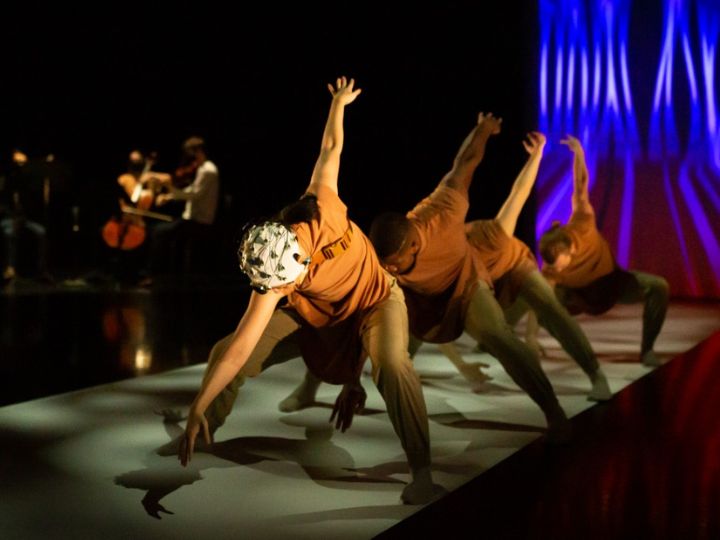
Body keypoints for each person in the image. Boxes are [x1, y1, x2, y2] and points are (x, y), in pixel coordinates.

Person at [178, 77, 438, 505]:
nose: (275, 290)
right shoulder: (276, 276)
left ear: (299, 264)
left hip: (374, 301)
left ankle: (422, 470)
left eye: (282, 285)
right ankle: (204, 428)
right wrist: (197, 404)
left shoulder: (322, 205)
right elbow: (241, 347)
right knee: (224, 348)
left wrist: (338, 103)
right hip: (316, 311)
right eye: (273, 287)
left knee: (391, 363)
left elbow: (331, 149)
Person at [284, 112, 571, 440]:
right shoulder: (386, 267)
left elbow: (464, 162)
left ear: (414, 246)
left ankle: (553, 410)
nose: (389, 268)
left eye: (395, 262)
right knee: (353, 328)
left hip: (461, 286)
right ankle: (309, 386)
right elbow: (361, 313)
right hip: (415, 298)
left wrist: (482, 129)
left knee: (498, 335)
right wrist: (352, 381)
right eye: (385, 264)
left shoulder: (443, 210)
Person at [440, 131, 611, 400]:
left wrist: (537, 155)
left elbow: (519, 193)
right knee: (496, 334)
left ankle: (596, 374)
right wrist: (461, 366)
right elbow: (438, 319)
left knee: (553, 311)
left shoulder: (492, 234)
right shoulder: (443, 269)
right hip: (488, 283)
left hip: (515, 265)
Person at [536, 135, 669, 367]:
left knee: (659, 287)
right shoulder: (551, 266)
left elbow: (580, 184)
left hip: (611, 284)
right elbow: (539, 298)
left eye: (561, 263)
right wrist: (529, 336)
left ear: (569, 248)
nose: (558, 269)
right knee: (536, 299)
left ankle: (647, 350)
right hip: (577, 296)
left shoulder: (582, 222)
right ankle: (488, 342)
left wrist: (579, 154)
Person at [140, 136, 219, 282]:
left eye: (191, 153)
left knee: (159, 232)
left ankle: (153, 275)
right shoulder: (202, 169)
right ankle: (161, 274)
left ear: (199, 152)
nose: (189, 158)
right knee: (161, 229)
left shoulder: (208, 170)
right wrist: (169, 196)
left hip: (199, 221)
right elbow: (192, 189)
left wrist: (170, 188)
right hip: (190, 218)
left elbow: (194, 194)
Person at [0, 149, 51, 283]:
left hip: (25, 218)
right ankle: (10, 268)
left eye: (23, 163)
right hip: (9, 218)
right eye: (18, 163)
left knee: (41, 232)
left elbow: (31, 207)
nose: (21, 167)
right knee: (9, 232)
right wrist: (11, 216)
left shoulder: (28, 184)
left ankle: (41, 270)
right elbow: (5, 204)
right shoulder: (7, 180)